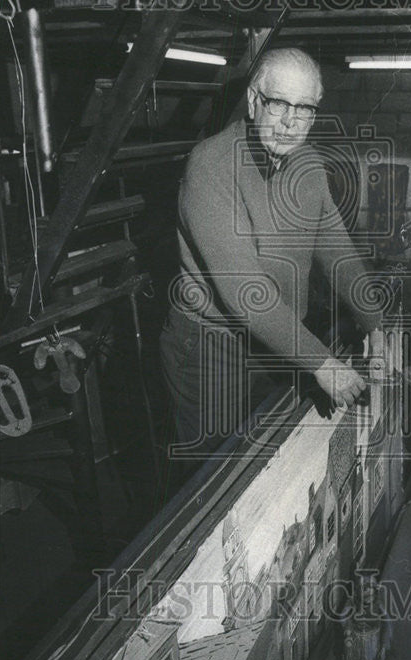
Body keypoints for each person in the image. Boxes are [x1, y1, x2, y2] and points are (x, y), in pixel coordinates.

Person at [160, 47, 384, 471]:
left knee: (263, 466)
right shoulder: (211, 166)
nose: (289, 122)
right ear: (253, 100)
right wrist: (322, 363)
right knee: (213, 481)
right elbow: (247, 293)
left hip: (276, 340)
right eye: (278, 103)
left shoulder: (309, 164)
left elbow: (336, 248)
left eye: (304, 109)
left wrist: (375, 321)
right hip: (212, 347)